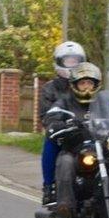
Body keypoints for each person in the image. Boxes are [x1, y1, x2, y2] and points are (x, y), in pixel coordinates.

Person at [44, 62, 102, 218]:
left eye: (90, 82)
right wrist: (59, 124)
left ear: (96, 85)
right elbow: (52, 118)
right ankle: (65, 206)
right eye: (83, 83)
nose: (87, 87)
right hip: (75, 150)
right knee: (65, 162)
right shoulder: (64, 102)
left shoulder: (102, 103)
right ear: (75, 85)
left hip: (102, 150)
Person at [39, 41, 87, 206]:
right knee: (50, 141)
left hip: (87, 131)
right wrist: (56, 124)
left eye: (75, 61)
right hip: (65, 131)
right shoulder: (50, 88)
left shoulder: (88, 84)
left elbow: (102, 104)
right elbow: (46, 115)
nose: (72, 65)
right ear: (59, 62)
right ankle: (49, 186)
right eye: (68, 61)